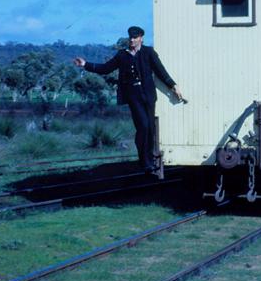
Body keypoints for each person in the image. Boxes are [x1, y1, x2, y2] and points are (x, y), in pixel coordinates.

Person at [73, 26, 184, 174]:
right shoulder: (122, 55)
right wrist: (85, 65)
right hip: (133, 95)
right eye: (130, 37)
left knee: (150, 127)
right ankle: (144, 161)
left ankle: (149, 161)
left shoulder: (148, 52)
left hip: (148, 95)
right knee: (143, 126)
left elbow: (160, 70)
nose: (132, 40)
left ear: (141, 38)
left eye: (135, 37)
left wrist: (173, 86)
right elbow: (106, 68)